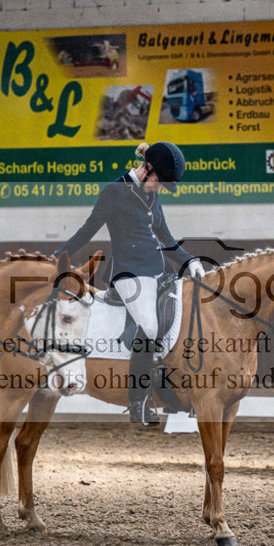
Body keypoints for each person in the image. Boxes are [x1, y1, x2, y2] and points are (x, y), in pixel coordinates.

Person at [54, 141, 205, 425]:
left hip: (158, 272)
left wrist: (189, 260)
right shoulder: (114, 192)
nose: (159, 189)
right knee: (148, 326)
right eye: (159, 182)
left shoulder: (152, 196)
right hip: (128, 275)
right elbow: (87, 230)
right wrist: (56, 257)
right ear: (147, 168)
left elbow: (166, 239)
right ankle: (138, 401)